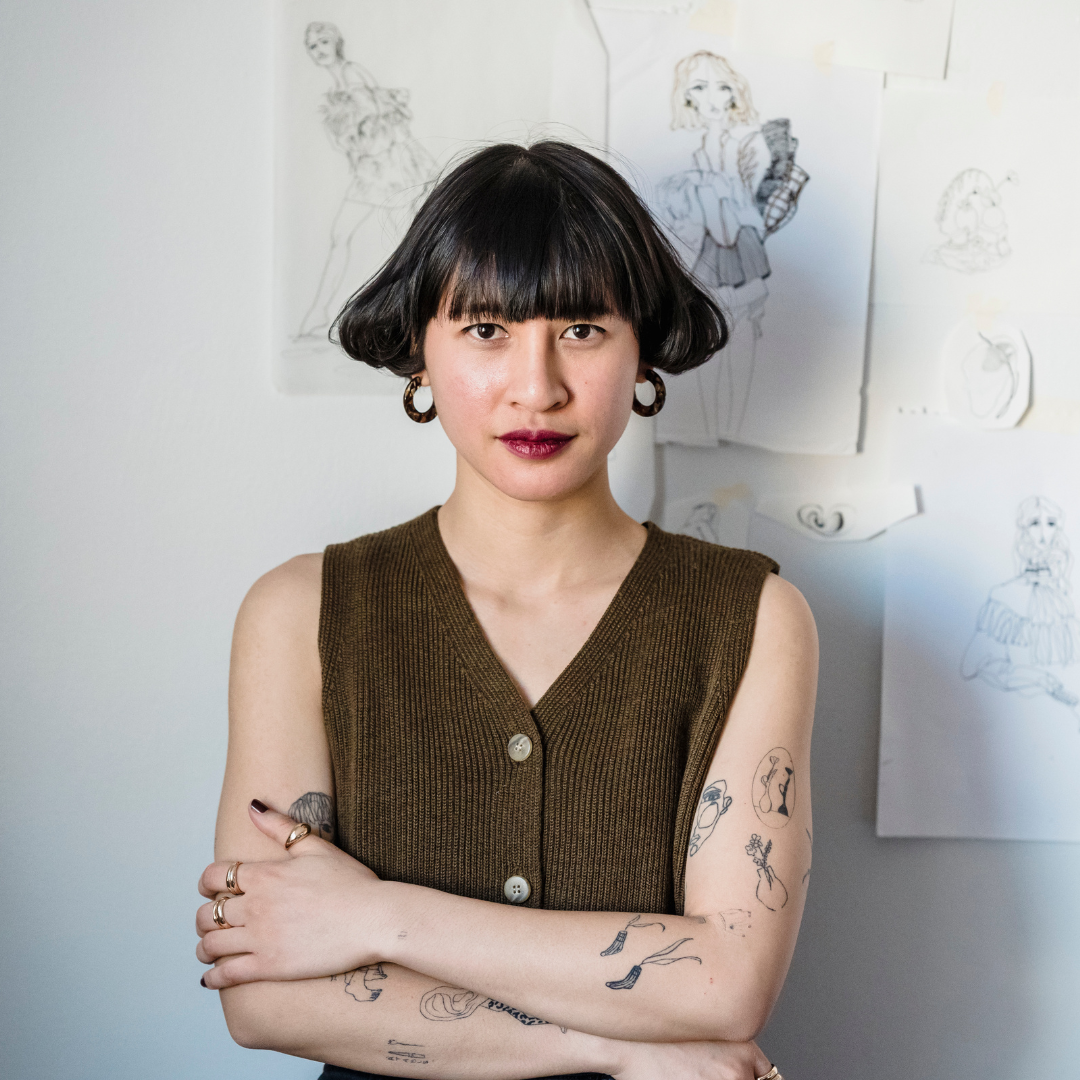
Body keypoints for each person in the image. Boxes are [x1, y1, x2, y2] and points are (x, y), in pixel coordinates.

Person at [195, 141, 818, 1080]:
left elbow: (727, 987)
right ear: (421, 350)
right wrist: (615, 1048)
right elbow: (264, 995)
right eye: (487, 329)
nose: (538, 385)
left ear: (641, 346)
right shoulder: (300, 614)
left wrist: (370, 915)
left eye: (582, 329)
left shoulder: (756, 619)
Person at [656, 51, 807, 445]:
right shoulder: (698, 148)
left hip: (739, 264)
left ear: (735, 95)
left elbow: (743, 222)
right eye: (699, 88)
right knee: (703, 361)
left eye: (722, 87)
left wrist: (708, 198)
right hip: (705, 267)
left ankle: (733, 431)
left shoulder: (747, 144)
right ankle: (709, 432)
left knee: (738, 358)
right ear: (686, 97)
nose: (711, 98)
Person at [297, 21, 434, 338]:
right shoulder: (336, 87)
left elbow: (383, 123)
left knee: (407, 241)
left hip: (389, 168)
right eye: (313, 46)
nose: (318, 50)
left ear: (337, 43)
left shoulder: (352, 74)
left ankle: (414, 317)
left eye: (323, 43)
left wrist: (359, 144)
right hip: (372, 171)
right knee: (343, 236)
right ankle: (319, 313)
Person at [962, 495, 1080, 711]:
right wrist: (1038, 680)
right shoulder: (1005, 596)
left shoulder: (1066, 594)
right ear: (1023, 530)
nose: (1044, 534)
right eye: (1035, 523)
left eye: (1051, 523)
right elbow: (973, 665)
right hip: (1027, 714)